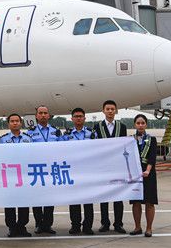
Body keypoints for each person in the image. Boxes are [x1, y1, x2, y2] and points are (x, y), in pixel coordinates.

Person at [92, 100, 128, 234]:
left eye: (112, 109)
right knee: (104, 196)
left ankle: (118, 223)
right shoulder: (97, 126)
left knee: (118, 196)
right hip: (104, 167)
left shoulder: (122, 126)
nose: (110, 111)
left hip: (118, 166)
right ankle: (105, 223)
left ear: (116, 111)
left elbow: (124, 144)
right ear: (103, 111)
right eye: (108, 109)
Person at [26, 105, 61, 234]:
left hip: (51, 168)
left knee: (50, 198)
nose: (43, 115)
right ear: (36, 116)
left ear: (49, 115)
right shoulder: (30, 132)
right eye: (40, 113)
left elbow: (62, 148)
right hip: (36, 168)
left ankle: (47, 224)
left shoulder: (56, 131)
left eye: (45, 113)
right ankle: (38, 224)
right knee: (37, 198)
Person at [61, 107, 95, 235]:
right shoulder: (66, 135)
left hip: (88, 172)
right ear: (72, 119)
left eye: (81, 116)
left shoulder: (92, 134)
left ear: (85, 118)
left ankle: (88, 226)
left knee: (88, 201)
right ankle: (75, 225)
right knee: (74, 200)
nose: (78, 118)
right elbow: (60, 150)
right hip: (72, 172)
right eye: (76, 116)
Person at [0, 113, 33, 238]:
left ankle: (22, 226)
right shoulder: (3, 139)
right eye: (12, 121)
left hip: (24, 175)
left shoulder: (28, 138)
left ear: (21, 123)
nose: (15, 123)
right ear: (8, 124)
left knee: (24, 202)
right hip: (9, 175)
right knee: (10, 202)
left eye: (17, 121)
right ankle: (12, 227)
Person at [130, 114, 158, 237]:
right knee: (136, 202)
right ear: (134, 125)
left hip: (148, 173)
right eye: (138, 123)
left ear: (146, 124)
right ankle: (137, 227)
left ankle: (149, 228)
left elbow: (152, 157)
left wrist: (147, 170)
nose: (140, 125)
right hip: (135, 174)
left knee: (149, 202)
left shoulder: (152, 139)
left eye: (143, 123)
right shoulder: (131, 140)